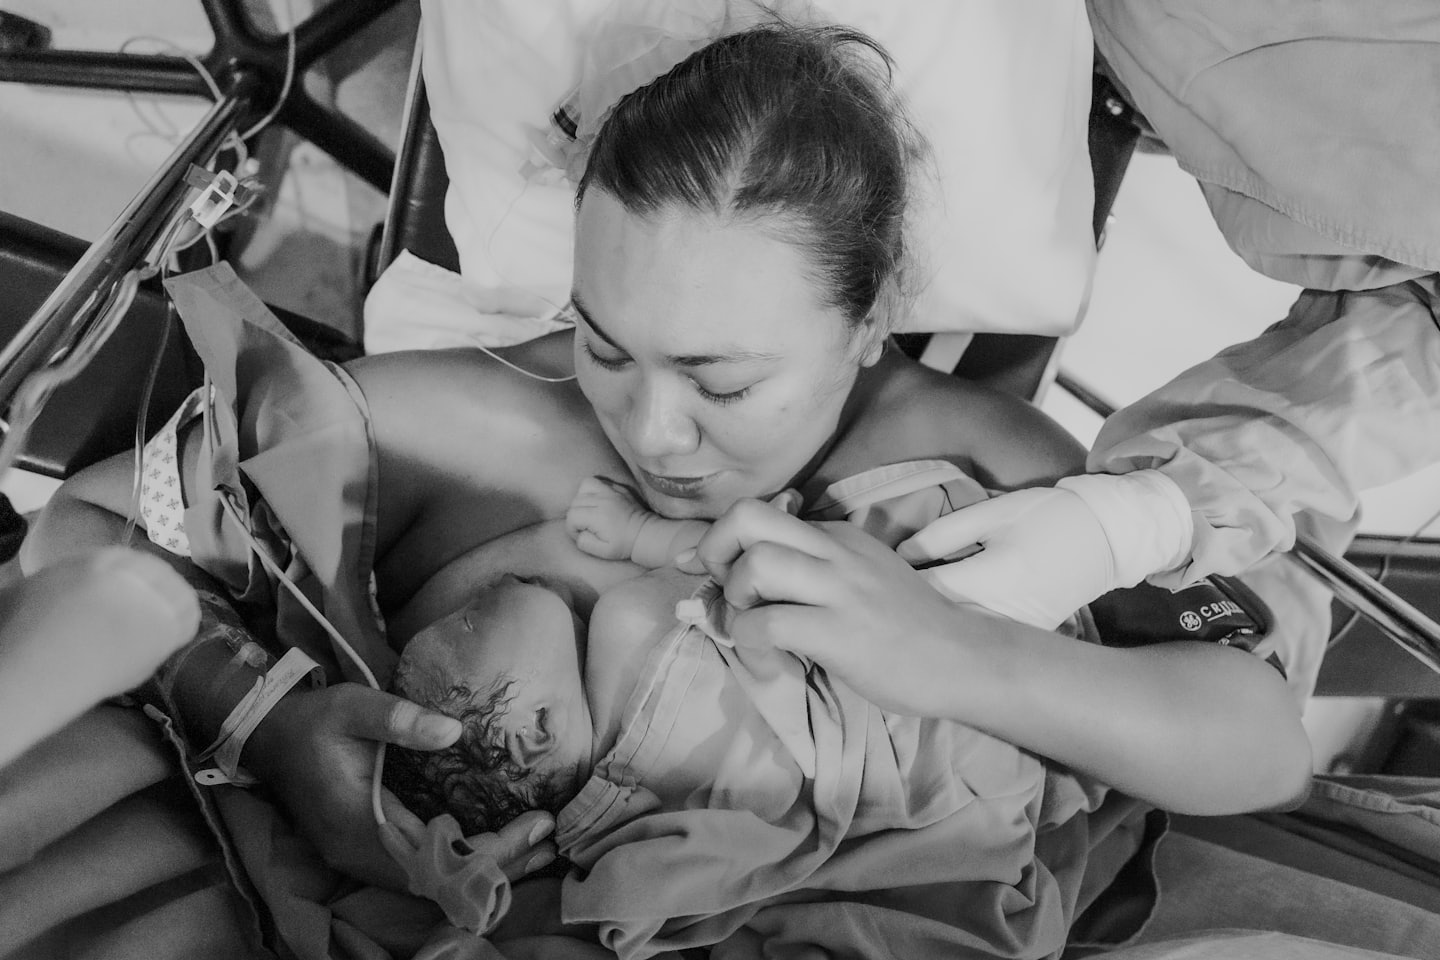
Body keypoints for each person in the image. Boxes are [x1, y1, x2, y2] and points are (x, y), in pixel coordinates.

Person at [21, 18, 1312, 959]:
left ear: (871, 321)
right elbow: (86, 529)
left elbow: (1254, 750)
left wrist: (955, 654)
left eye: (721, 380)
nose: (650, 430)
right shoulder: (462, 424)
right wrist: (264, 723)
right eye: (601, 342)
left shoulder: (985, 471)